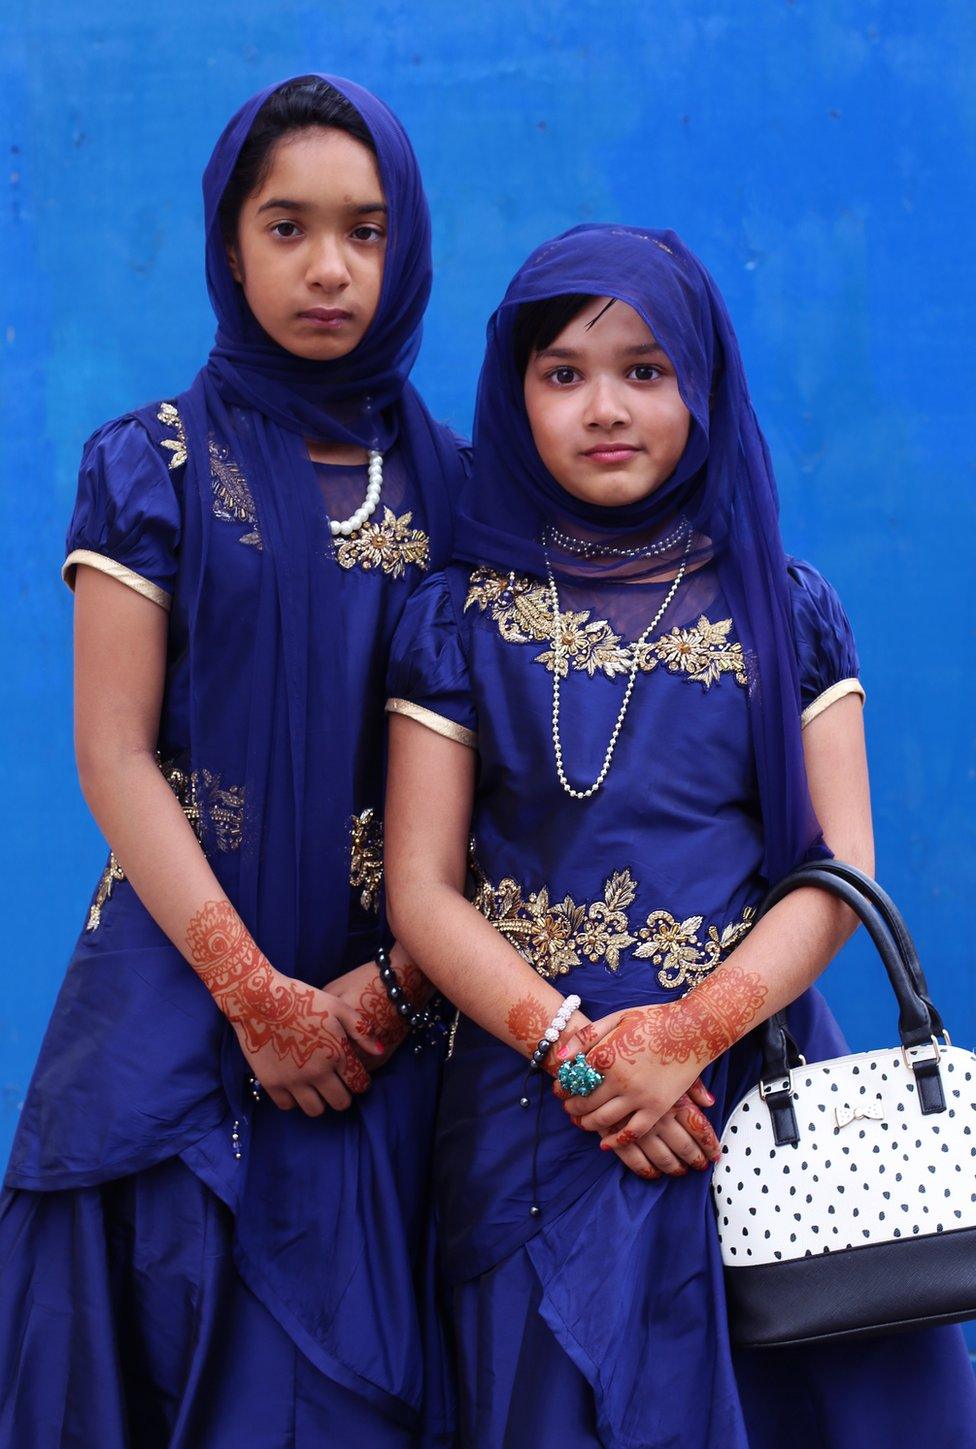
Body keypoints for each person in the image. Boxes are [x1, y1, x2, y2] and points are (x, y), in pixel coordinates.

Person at [383, 225, 976, 1447]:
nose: (606, 407)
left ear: (700, 384)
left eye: (645, 370)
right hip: (532, 1108)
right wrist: (586, 1059)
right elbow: (422, 890)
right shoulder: (455, 619)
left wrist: (687, 1036)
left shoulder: (783, 607)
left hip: (757, 1100)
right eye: (565, 374)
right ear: (517, 392)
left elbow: (838, 868)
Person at [0, 74, 466, 1447]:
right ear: (228, 240)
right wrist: (257, 996)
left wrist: (376, 996)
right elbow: (113, 748)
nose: (330, 268)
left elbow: (493, 791)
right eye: (288, 227)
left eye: (367, 231)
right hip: (172, 1022)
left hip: (395, 1043)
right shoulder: (150, 465)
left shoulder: (463, 486)